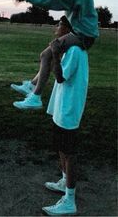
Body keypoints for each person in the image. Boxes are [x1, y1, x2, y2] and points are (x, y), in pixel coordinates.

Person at [12, 0, 100, 110]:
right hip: (83, 33)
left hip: (83, 35)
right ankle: (32, 86)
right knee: (47, 56)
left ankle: (36, 97)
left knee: (47, 55)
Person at [41, 43, 89, 215]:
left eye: (60, 25)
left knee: (69, 154)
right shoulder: (72, 49)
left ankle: (69, 200)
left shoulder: (75, 50)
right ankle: (64, 181)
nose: (56, 30)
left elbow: (60, 77)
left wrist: (54, 54)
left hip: (69, 110)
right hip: (62, 107)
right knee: (61, 148)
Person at [11, 15, 73, 108]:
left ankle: (35, 95)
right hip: (75, 33)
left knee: (45, 55)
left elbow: (59, 78)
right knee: (47, 57)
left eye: (60, 24)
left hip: (76, 34)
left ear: (67, 29)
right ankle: (32, 87)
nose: (56, 26)